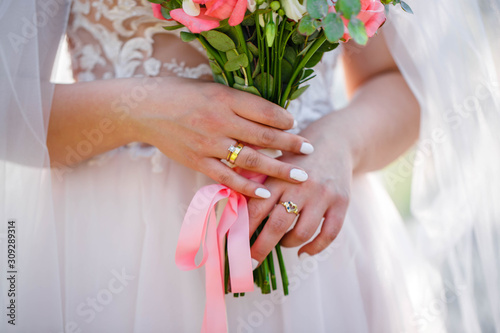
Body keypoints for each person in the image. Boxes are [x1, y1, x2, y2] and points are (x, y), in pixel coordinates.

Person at [1, 0, 445, 332]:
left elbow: (397, 82)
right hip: (118, 244)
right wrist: (139, 110)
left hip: (308, 231)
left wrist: (341, 144)